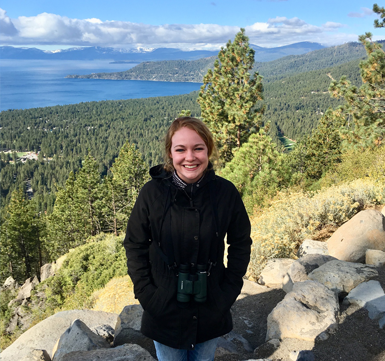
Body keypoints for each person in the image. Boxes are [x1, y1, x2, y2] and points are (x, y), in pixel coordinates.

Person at [124, 117, 251, 361]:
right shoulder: (152, 194)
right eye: (180, 149)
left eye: (198, 148)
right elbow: (135, 245)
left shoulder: (225, 193)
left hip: (211, 306)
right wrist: (148, 295)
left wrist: (228, 291)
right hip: (164, 310)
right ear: (170, 154)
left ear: (208, 151)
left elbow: (240, 243)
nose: (189, 157)